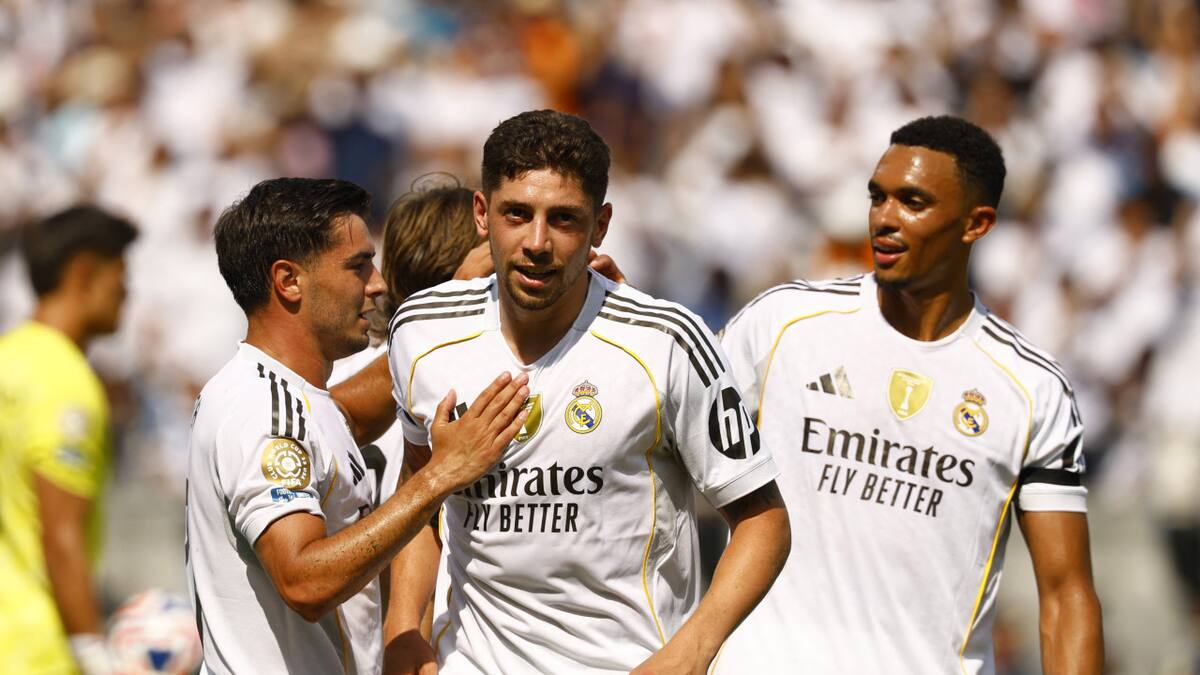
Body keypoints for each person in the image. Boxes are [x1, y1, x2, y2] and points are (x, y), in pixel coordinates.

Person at [386, 109, 791, 674]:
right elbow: (419, 493)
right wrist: (404, 631)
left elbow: (764, 520)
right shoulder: (421, 331)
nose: (537, 242)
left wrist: (691, 652)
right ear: (483, 214)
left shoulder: (667, 340)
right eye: (517, 214)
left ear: (600, 226)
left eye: (564, 219)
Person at [716, 115, 1104, 674]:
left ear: (977, 223)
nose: (884, 219)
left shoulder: (1032, 390)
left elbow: (1067, 596)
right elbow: (661, 417)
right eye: (878, 197)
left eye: (913, 202)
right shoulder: (780, 323)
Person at [185, 177, 530, 674]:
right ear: (289, 281)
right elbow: (304, 582)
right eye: (357, 266)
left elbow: (348, 414)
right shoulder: (261, 408)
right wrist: (440, 476)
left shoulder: (296, 397)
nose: (378, 284)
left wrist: (445, 324)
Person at [0, 206, 137, 674]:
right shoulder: (64, 380)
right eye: (121, 274)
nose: (128, 291)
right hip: (37, 652)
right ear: (84, 272)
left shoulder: (7, 358)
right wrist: (96, 657)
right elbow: (61, 535)